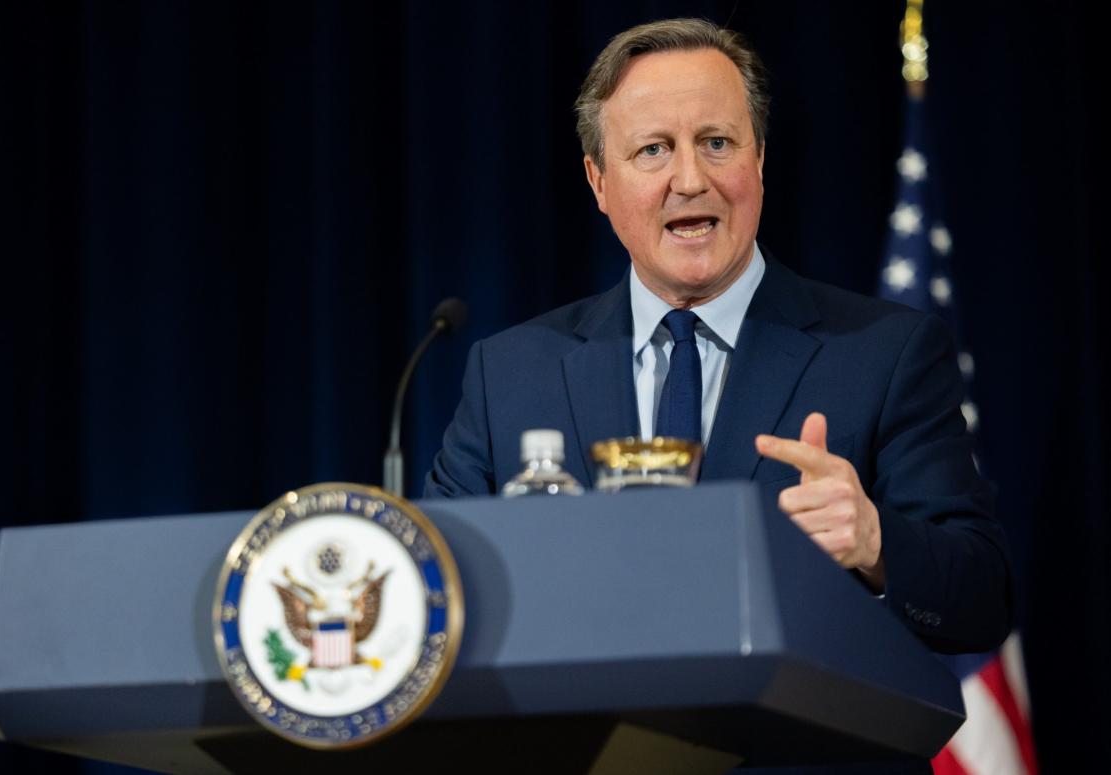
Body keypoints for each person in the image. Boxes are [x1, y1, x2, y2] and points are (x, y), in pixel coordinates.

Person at [424, 18, 1011, 656]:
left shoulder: (886, 353)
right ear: (598, 181)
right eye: (653, 149)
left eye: (717, 142)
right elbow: (432, 589)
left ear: (758, 158)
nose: (690, 179)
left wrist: (875, 542)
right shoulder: (510, 374)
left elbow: (982, 597)